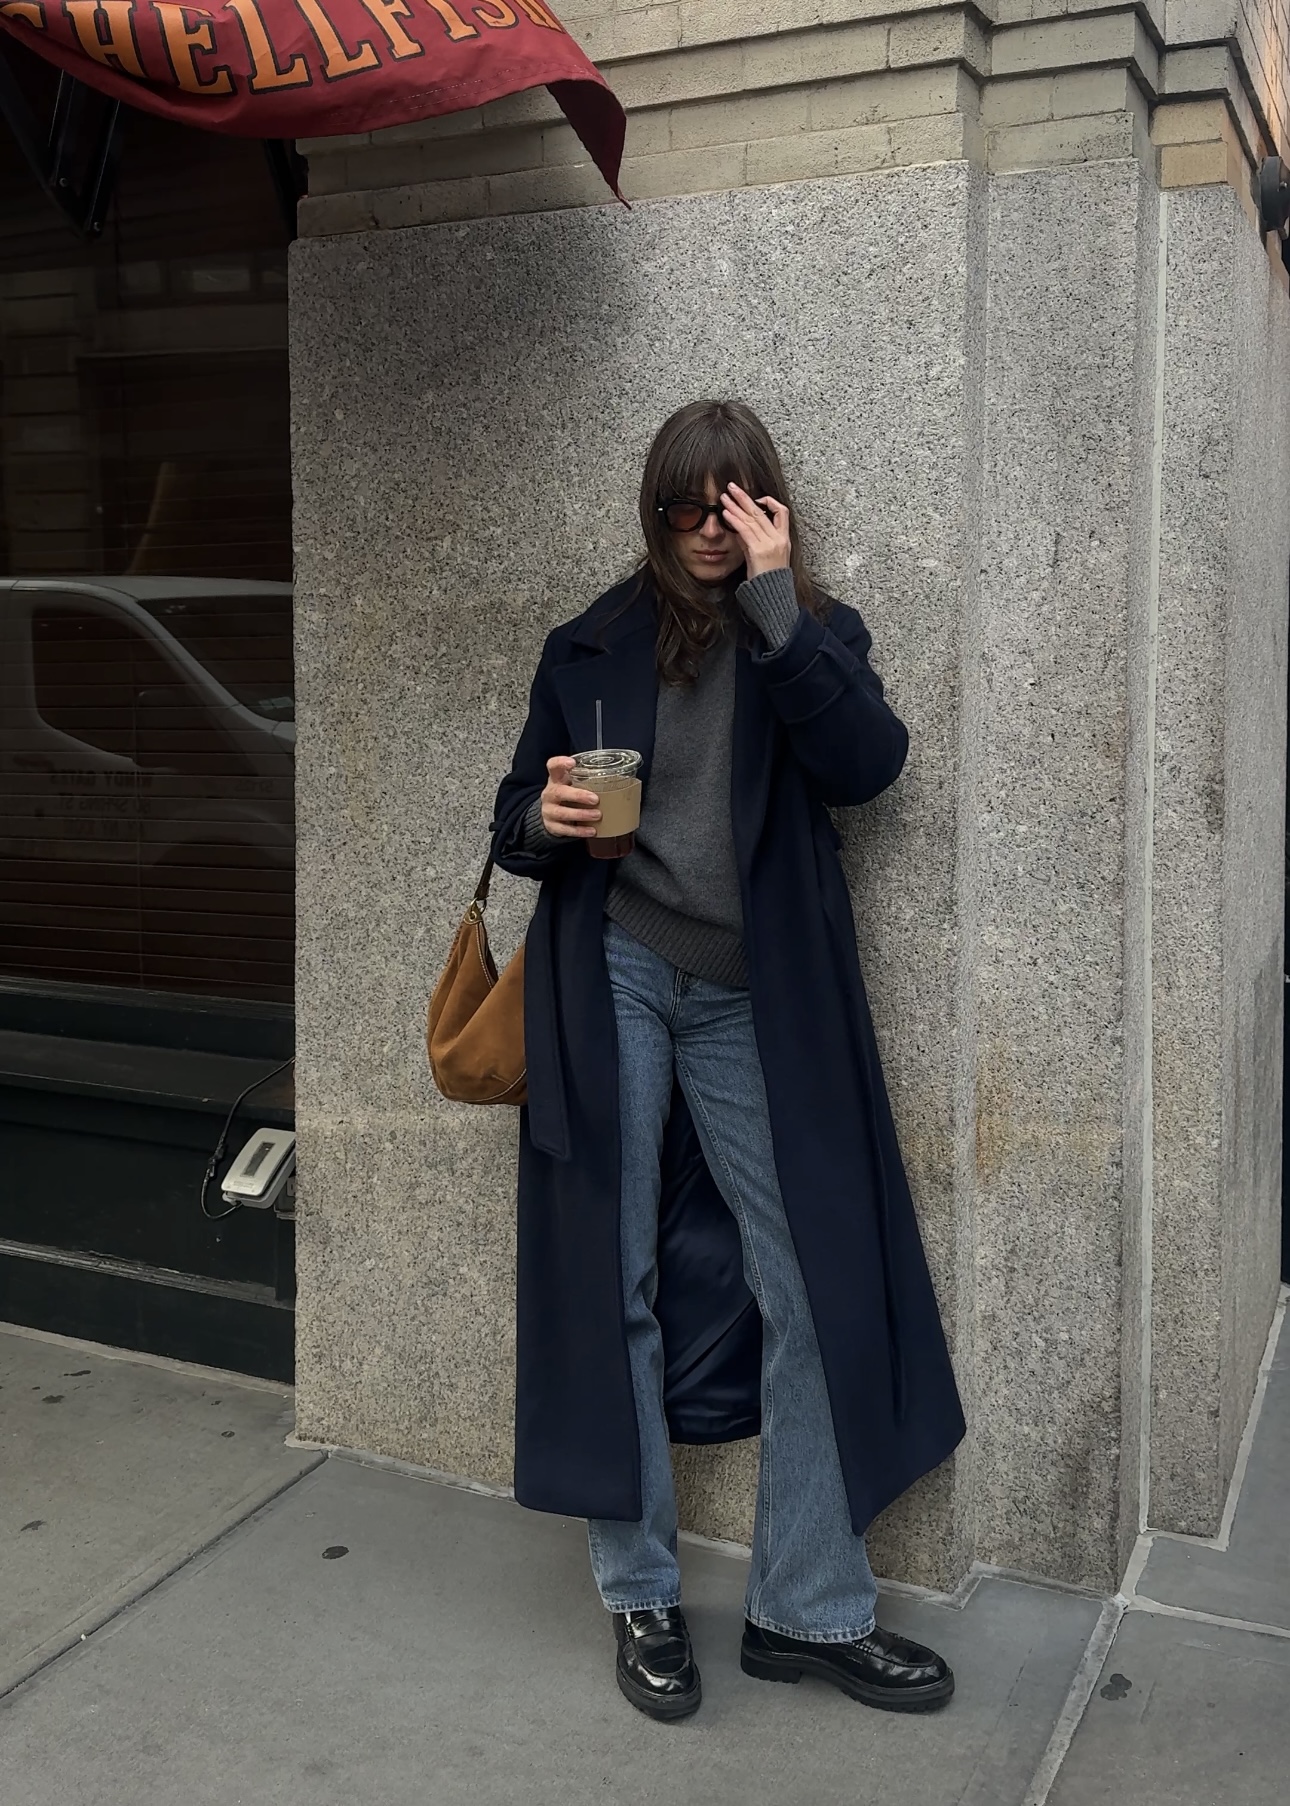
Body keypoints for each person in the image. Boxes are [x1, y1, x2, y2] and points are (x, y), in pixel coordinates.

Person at [490, 399, 965, 1723]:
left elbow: (866, 765)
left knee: (808, 1281)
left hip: (755, 998)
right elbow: (512, 818)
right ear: (652, 519)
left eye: (729, 507)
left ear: (765, 504)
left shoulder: (807, 636)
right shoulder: (591, 642)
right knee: (616, 1271)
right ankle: (641, 1590)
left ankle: (802, 1607)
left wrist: (774, 605)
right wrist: (548, 813)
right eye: (680, 512)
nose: (704, 531)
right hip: (620, 972)